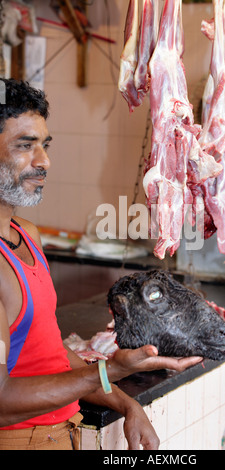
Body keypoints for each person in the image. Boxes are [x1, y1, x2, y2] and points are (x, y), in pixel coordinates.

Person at [0, 79, 202, 451]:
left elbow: (51, 354)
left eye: (44, 145)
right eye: (25, 146)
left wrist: (127, 402)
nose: (43, 161)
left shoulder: (25, 234)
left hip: (61, 432)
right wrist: (110, 370)